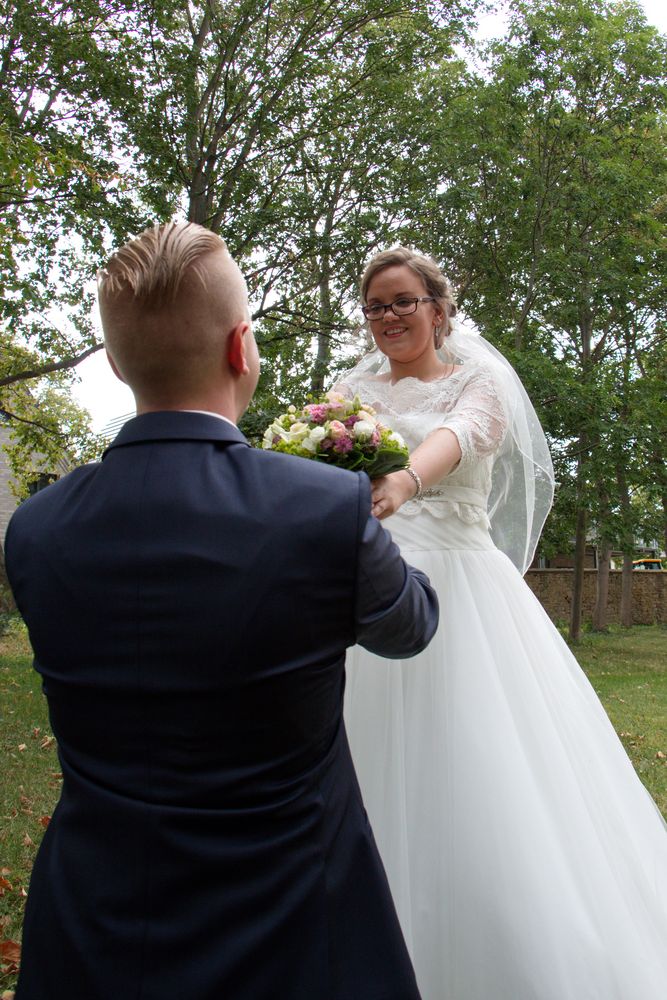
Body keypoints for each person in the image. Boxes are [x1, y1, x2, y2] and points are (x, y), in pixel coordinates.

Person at [4, 224, 440, 1000]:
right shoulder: (323, 510)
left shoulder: (35, 530)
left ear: (114, 361)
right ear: (242, 348)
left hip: (94, 934)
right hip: (295, 933)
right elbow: (408, 628)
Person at [336, 246, 667, 1000]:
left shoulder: (477, 382)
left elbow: (456, 442)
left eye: (403, 301)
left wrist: (403, 480)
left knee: (476, 768)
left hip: (459, 594)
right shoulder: (349, 389)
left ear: (438, 308)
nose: (388, 316)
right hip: (364, 597)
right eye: (375, 305)